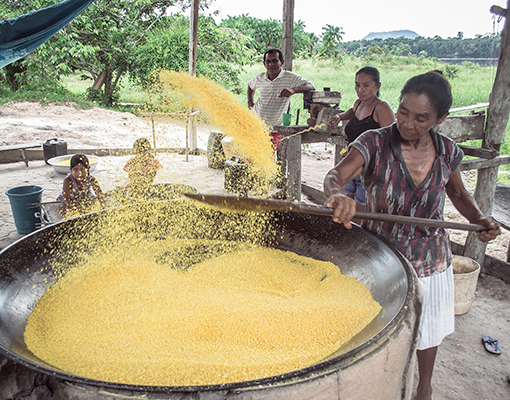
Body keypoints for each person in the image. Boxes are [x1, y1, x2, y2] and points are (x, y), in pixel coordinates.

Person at [323, 71, 501, 400]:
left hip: (429, 257)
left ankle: (424, 387)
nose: (408, 124)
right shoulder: (374, 142)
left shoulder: (447, 151)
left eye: (421, 119)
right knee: (375, 327)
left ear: (440, 119)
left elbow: (459, 195)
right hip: (380, 256)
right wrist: (339, 195)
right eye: (404, 112)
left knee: (427, 330)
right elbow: (336, 175)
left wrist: (480, 218)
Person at [327, 66, 395, 220]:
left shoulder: (382, 108)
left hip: (370, 171)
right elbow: (352, 111)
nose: (360, 89)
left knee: (359, 213)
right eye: (357, 85)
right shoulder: (359, 103)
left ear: (377, 86)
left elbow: (392, 141)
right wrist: (339, 116)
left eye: (366, 85)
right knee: (345, 206)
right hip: (350, 165)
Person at [247, 48, 315, 128]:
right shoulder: (259, 78)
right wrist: (250, 103)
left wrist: (293, 90)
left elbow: (311, 86)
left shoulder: (289, 77)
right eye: (268, 61)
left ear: (282, 62)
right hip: (254, 124)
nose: (271, 64)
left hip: (276, 127)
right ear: (264, 64)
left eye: (275, 61)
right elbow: (250, 87)